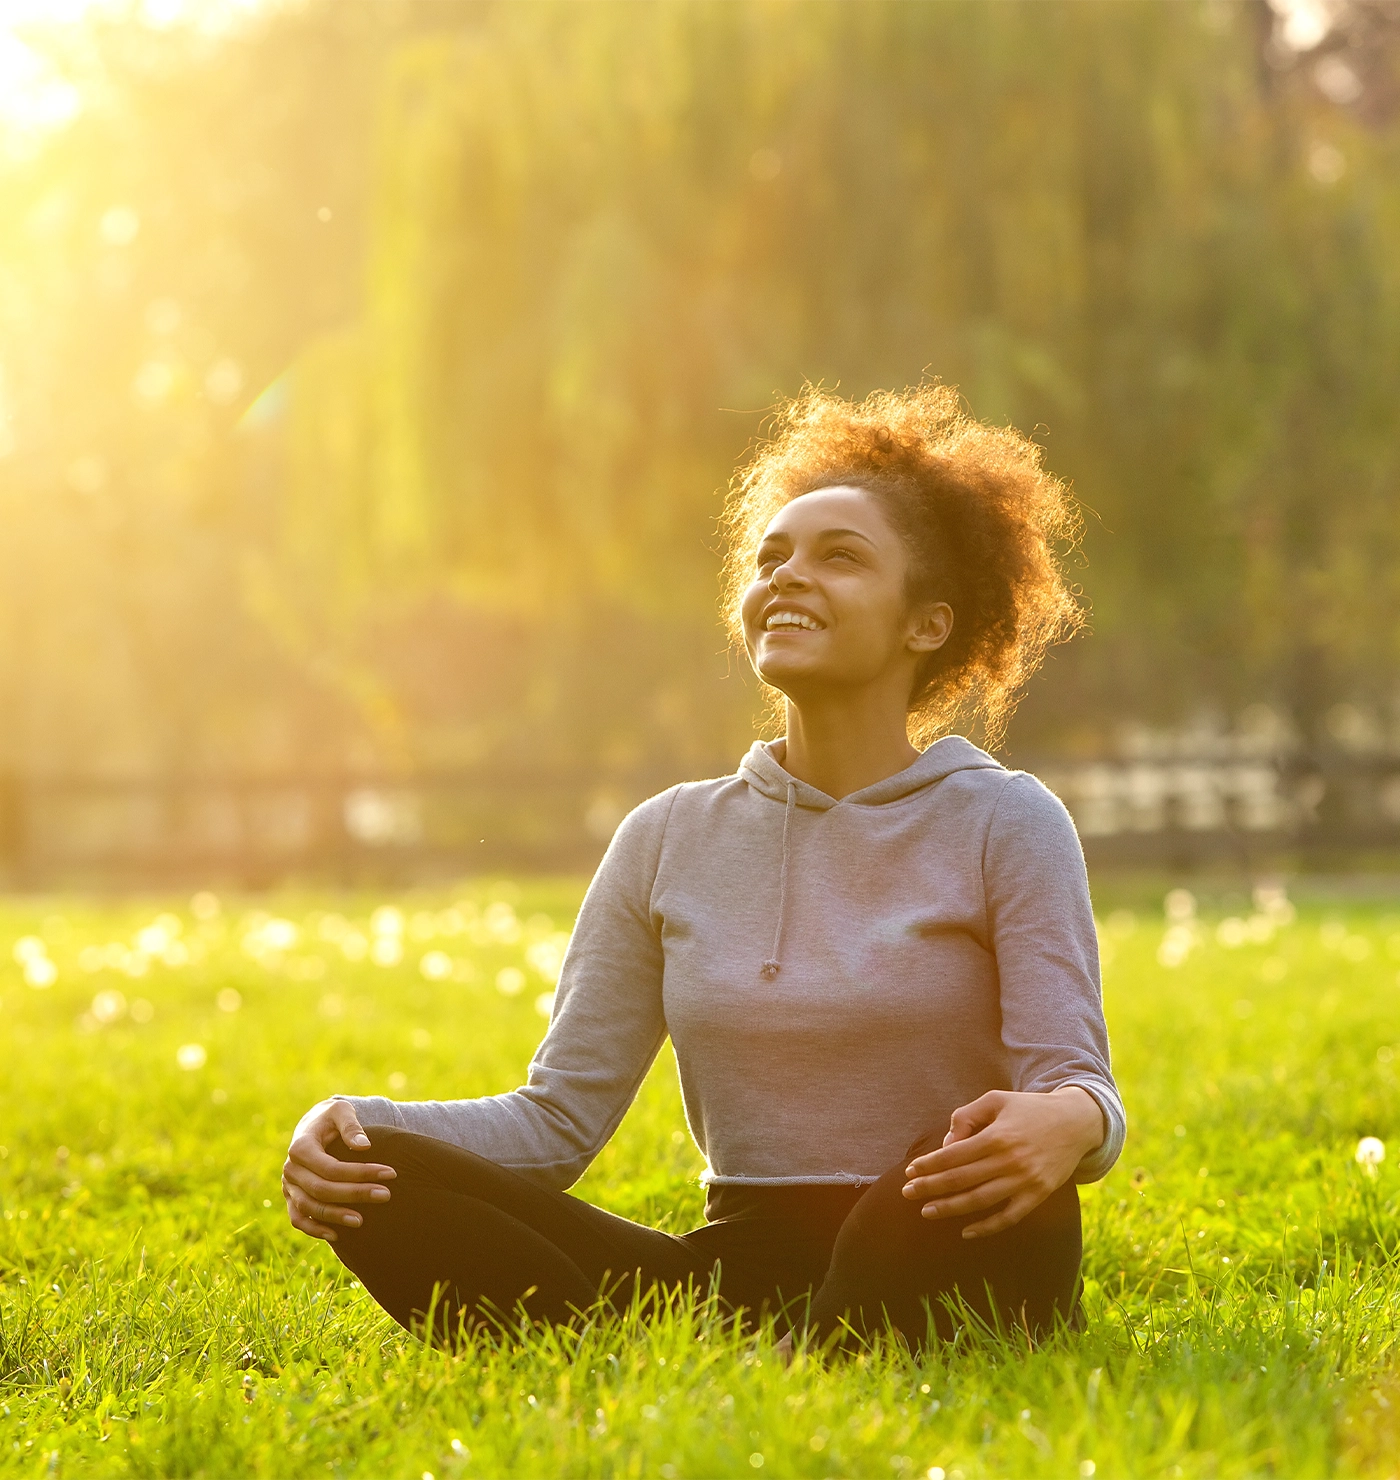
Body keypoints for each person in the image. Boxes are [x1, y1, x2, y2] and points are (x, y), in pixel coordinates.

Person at [281, 383, 1126, 1355]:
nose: (788, 577)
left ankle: (794, 1350)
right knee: (374, 1170)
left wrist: (1069, 1122)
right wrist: (344, 1122)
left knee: (935, 1182)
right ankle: (796, 1348)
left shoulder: (1005, 819)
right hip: (737, 1268)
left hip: (944, 1227)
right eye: (771, 557)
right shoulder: (666, 835)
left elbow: (1074, 1084)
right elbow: (556, 1119)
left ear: (924, 623)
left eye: (838, 558)